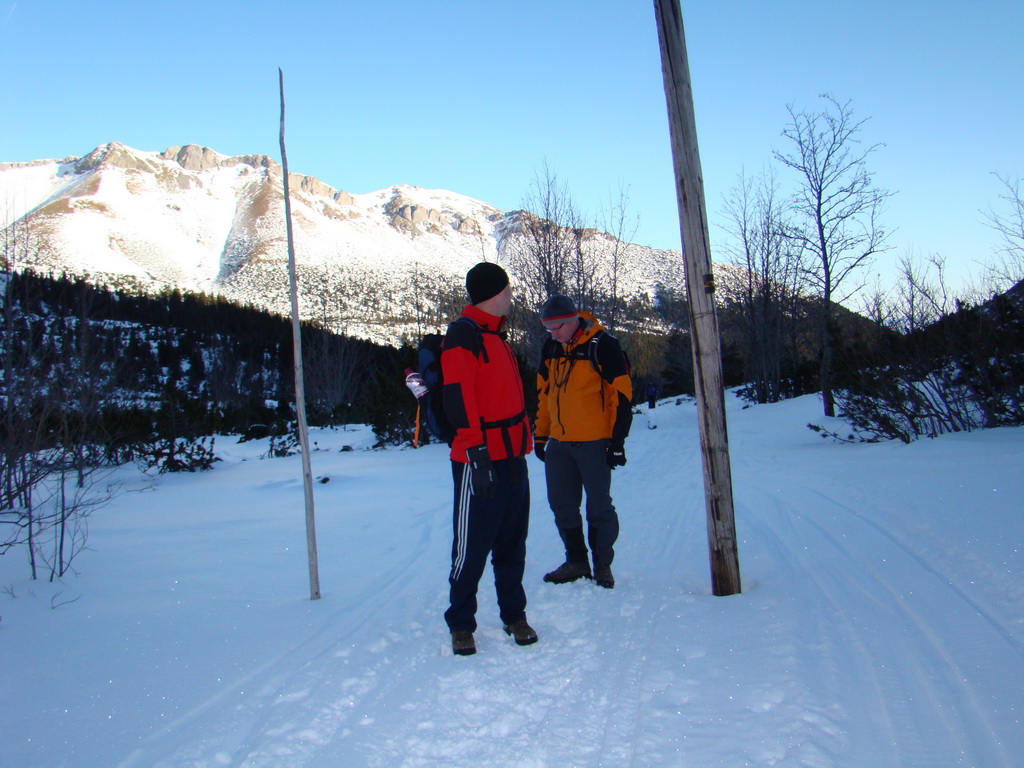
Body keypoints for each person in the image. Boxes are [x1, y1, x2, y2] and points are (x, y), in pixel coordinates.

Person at [441, 262, 537, 656]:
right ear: (494, 292)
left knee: (513, 542)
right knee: (471, 546)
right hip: (478, 459)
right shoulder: (464, 336)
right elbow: (457, 394)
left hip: (512, 455)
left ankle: (514, 614)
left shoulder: (496, 336)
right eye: (507, 289)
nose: (511, 295)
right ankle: (462, 624)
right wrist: (475, 449)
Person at [534, 295, 632, 589]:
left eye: (557, 327)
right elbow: (544, 394)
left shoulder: (603, 345)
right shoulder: (552, 347)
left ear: (575, 318)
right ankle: (576, 560)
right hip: (560, 444)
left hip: (594, 442)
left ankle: (603, 564)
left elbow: (622, 397)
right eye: (547, 328)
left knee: (599, 506)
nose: (553, 333)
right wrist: (541, 434)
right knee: (561, 505)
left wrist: (617, 441)